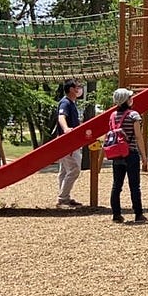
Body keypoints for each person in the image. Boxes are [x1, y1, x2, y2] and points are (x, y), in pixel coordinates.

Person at [109, 88, 148, 224]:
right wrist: (144, 156)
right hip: (130, 153)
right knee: (134, 185)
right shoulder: (133, 115)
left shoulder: (113, 116)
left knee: (116, 185)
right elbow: (138, 137)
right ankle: (138, 214)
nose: (132, 99)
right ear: (126, 100)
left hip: (117, 154)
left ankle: (116, 214)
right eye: (130, 97)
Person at [55, 78, 84, 209]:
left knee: (64, 170)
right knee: (74, 169)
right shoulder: (65, 103)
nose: (80, 89)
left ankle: (64, 197)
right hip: (67, 142)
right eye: (78, 87)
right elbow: (61, 116)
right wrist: (66, 129)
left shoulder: (71, 103)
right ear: (71, 89)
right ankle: (63, 198)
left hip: (67, 142)